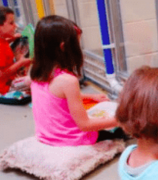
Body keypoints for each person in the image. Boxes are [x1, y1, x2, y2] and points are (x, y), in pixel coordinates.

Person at [30, 15, 123, 146]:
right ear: (63, 47)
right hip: (70, 139)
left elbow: (57, 98)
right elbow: (85, 125)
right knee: (121, 129)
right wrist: (121, 120)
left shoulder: (37, 72)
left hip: (46, 135)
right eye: (77, 44)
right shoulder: (68, 81)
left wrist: (91, 97)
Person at [0, 5, 31, 96]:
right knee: (38, 81)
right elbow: (0, 74)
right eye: (11, 23)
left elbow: (2, 45)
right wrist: (21, 62)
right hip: (6, 86)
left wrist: (11, 39)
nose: (15, 25)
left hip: (10, 77)